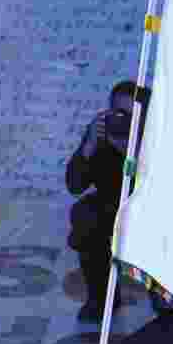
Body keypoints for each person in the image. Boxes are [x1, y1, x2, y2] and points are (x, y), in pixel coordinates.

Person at [65, 80, 136, 323]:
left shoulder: (158, 135)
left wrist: (131, 153)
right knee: (85, 215)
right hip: (112, 205)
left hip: (153, 209)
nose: (121, 121)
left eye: (130, 115)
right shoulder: (102, 132)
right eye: (117, 112)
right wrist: (88, 148)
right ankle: (101, 298)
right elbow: (74, 185)